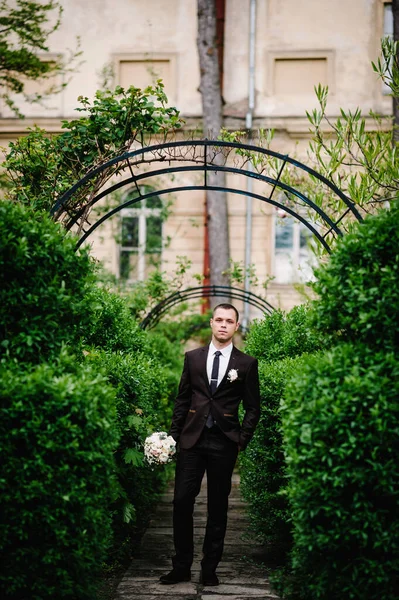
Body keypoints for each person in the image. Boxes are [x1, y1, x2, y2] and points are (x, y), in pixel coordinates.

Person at [159, 303, 260, 587]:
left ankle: (209, 568)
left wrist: (242, 439)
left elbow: (254, 407)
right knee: (181, 502)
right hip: (192, 439)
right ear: (211, 323)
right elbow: (182, 400)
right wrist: (172, 437)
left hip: (224, 442)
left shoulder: (246, 364)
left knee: (218, 506)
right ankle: (181, 566)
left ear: (236, 326)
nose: (223, 325)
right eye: (219, 319)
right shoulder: (192, 358)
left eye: (229, 321)